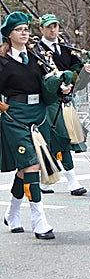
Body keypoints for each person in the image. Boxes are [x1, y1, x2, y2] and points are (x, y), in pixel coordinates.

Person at [0, 12, 73, 239]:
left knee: (26, 169)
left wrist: (62, 86)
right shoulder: (2, 61)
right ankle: (38, 219)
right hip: (14, 116)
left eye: (26, 29)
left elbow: (48, 81)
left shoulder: (37, 57)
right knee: (32, 165)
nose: (25, 33)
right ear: (9, 35)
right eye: (19, 30)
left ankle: (12, 213)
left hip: (38, 115)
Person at [38, 13, 90, 196]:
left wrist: (88, 68)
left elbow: (77, 69)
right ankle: (72, 181)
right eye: (49, 27)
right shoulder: (37, 49)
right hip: (50, 100)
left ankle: (45, 180)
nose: (53, 30)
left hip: (66, 101)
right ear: (41, 29)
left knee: (58, 140)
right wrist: (59, 85)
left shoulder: (64, 47)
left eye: (55, 26)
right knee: (60, 138)